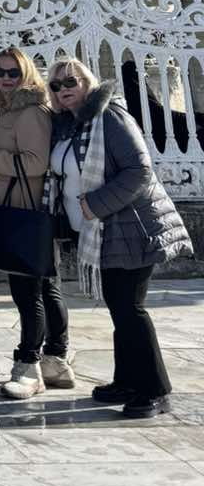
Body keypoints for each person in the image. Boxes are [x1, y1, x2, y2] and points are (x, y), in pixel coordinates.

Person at [47, 56, 190, 419]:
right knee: (120, 307)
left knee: (130, 309)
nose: (64, 89)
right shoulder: (71, 125)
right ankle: (127, 380)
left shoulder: (109, 116)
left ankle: (155, 390)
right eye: (56, 85)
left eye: (71, 81)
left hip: (132, 227)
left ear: (87, 82)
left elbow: (139, 170)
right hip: (103, 231)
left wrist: (95, 204)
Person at [0, 47, 68, 400]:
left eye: (13, 72)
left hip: (21, 213)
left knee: (27, 293)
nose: (6, 78)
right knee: (46, 288)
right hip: (22, 211)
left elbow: (34, 163)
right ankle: (57, 359)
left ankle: (29, 367)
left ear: (26, 73)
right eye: (0, 72)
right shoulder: (13, 109)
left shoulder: (29, 112)